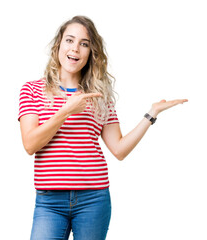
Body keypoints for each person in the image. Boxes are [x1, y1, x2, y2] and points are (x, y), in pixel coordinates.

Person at [18, 15, 188, 240]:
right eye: (69, 40)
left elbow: (119, 149)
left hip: (93, 199)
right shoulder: (32, 90)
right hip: (49, 201)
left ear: (90, 53)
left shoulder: (100, 95)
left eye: (84, 43)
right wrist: (66, 110)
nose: (75, 49)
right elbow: (30, 144)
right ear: (58, 45)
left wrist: (151, 114)